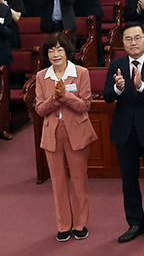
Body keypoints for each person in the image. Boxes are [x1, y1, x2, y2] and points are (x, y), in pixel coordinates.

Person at [104, 21, 144, 243]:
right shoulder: (116, 65)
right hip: (125, 133)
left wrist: (141, 87)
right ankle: (135, 223)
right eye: (128, 39)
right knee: (129, 181)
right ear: (123, 43)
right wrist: (118, 88)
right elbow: (107, 97)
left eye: (137, 38)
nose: (133, 42)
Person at [34, 32, 97, 241]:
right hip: (52, 133)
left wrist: (65, 96)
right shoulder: (42, 76)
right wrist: (54, 98)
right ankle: (64, 225)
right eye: (51, 50)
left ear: (67, 51)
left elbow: (85, 105)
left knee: (79, 179)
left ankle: (80, 223)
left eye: (59, 49)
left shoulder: (80, 72)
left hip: (76, 131)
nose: (55, 54)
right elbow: (40, 110)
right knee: (58, 182)